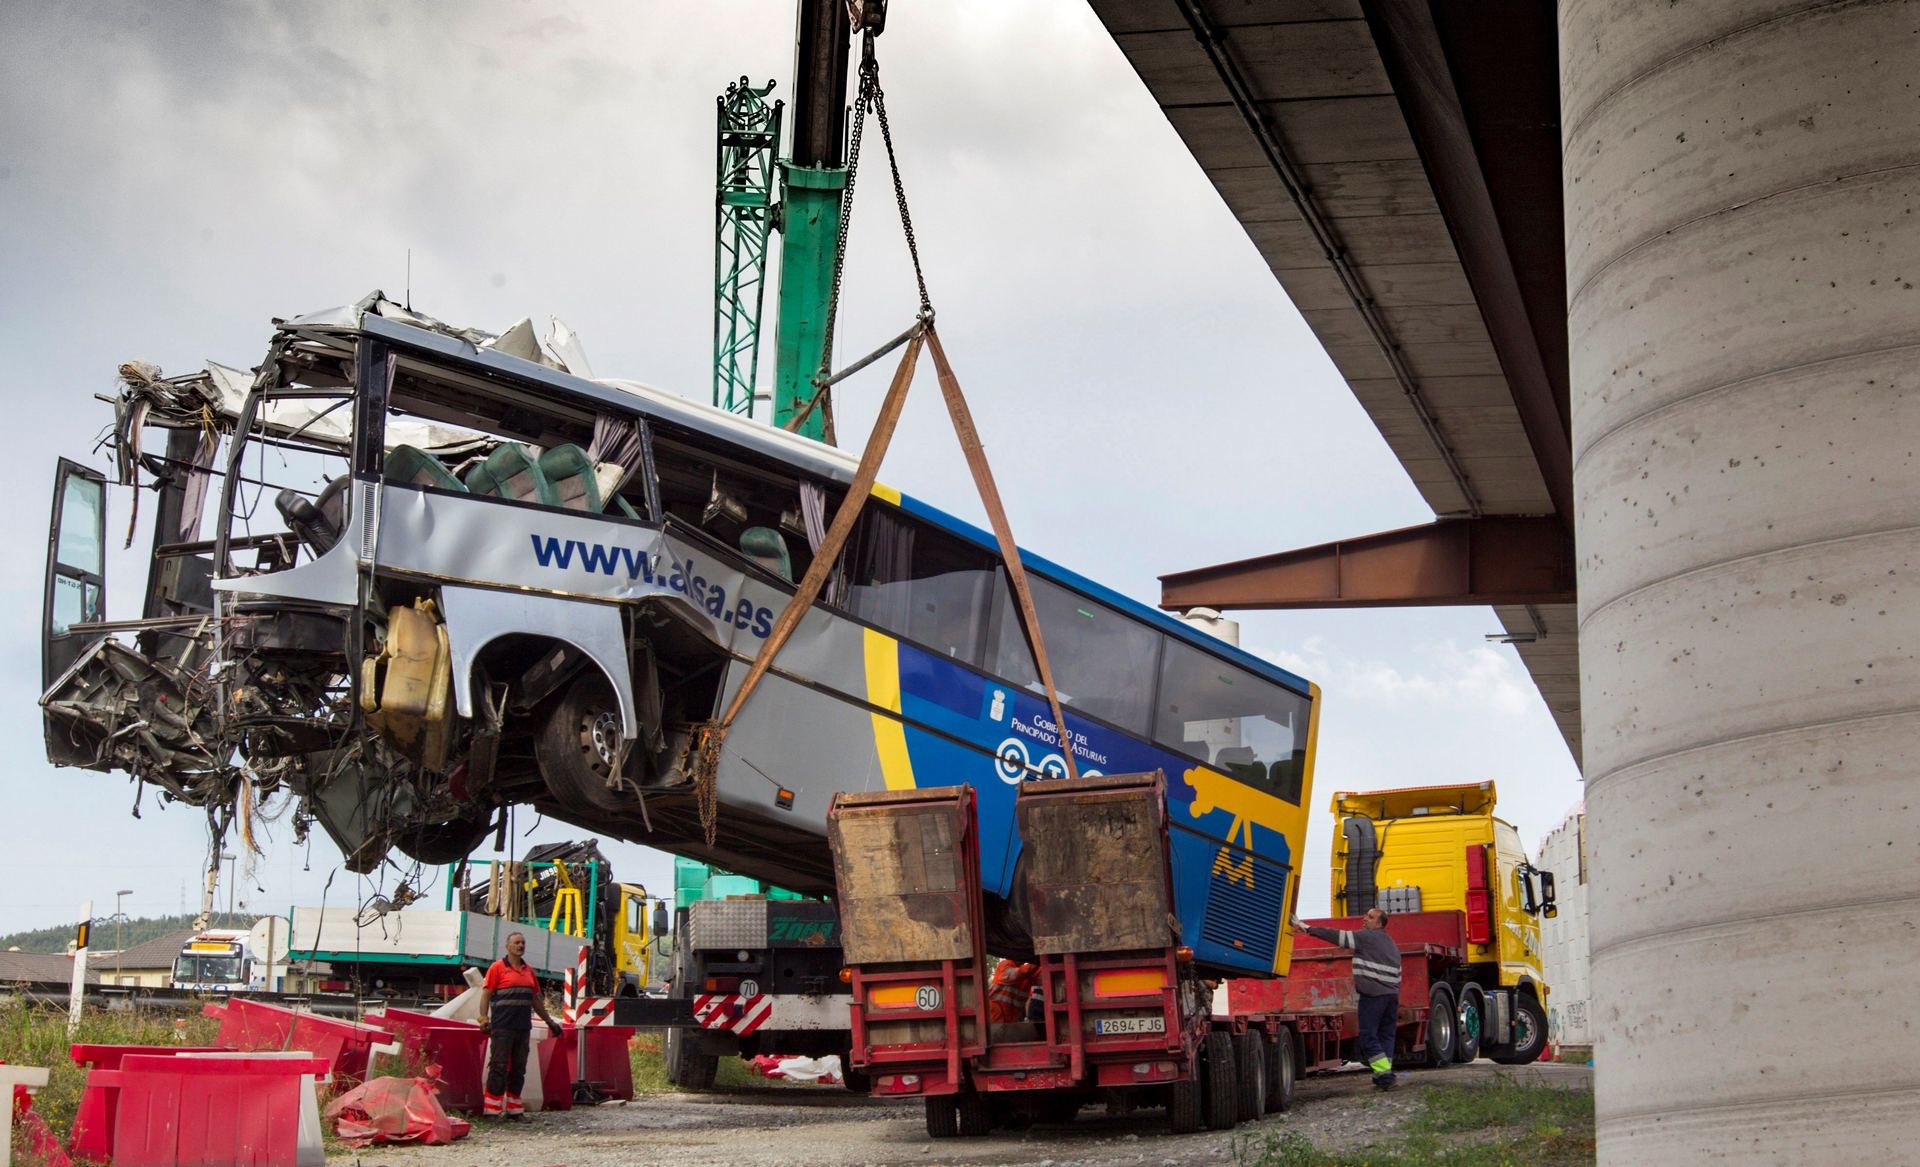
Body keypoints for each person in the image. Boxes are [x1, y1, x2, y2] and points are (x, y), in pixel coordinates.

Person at [1292, 907, 1403, 1089]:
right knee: (1386, 1036)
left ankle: (1385, 1076)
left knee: (1368, 1037)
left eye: (1370, 917)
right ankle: (1383, 1073)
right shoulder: (1391, 943)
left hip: (1373, 996)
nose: (1364, 918)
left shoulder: (1366, 937)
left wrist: (1306, 928)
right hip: (1391, 996)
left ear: (1379, 924)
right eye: (1366, 915)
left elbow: (1337, 936)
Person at [475, 931, 563, 1119]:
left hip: (523, 1028)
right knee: (498, 1066)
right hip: (502, 1027)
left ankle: (514, 1110)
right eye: (516, 943)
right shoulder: (497, 968)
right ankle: (492, 1110)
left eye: (522, 942)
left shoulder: (529, 970)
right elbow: (486, 994)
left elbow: (535, 1000)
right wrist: (483, 1018)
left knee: (518, 1068)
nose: (520, 946)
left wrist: (550, 1022)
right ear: (507, 946)